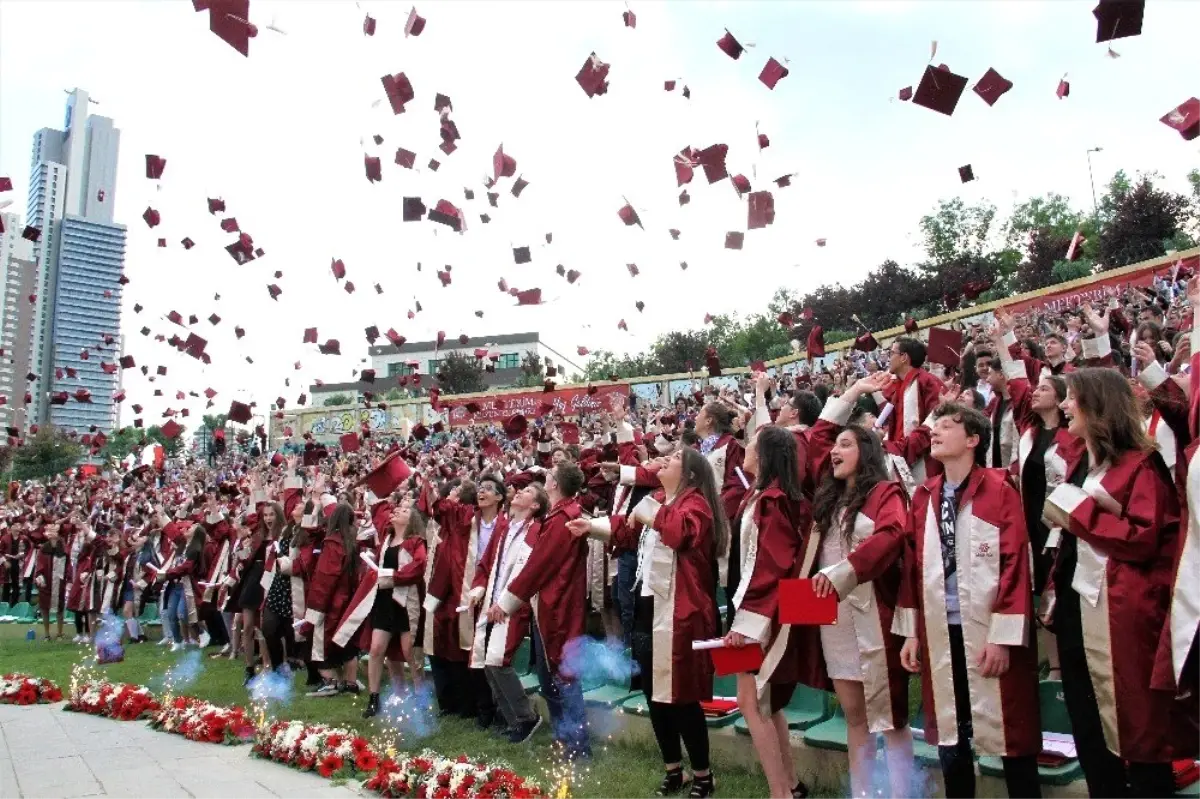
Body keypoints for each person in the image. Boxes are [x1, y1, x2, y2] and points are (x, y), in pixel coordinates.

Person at [1043, 367, 1199, 797]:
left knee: (1140, 736)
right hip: (1078, 611)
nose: (1063, 405)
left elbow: (1145, 540)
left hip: (1124, 618)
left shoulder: (1141, 464)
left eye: (1071, 397)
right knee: (1090, 733)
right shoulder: (1080, 463)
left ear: (1097, 405)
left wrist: (1079, 513)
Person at [896, 402, 1042, 799]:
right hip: (942, 629)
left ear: (974, 440)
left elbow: (1015, 562)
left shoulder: (998, 488)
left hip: (987, 629)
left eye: (946, 426)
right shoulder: (925, 494)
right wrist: (911, 634)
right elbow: (912, 567)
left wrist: (1003, 637)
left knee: (1012, 733)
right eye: (934, 426)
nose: (936, 432)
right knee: (951, 733)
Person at [572, 446, 722, 796]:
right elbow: (627, 534)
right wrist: (591, 526)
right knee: (655, 695)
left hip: (679, 613)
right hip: (646, 608)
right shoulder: (655, 498)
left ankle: (703, 774)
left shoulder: (696, 504)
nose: (663, 462)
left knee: (682, 697)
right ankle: (674, 770)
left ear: (690, 475)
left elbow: (681, 534)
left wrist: (647, 509)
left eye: (672, 461)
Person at [805, 404, 915, 799]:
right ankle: (864, 794)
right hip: (833, 620)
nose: (835, 451)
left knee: (889, 718)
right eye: (835, 445)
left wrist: (843, 574)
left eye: (846, 444)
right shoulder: (827, 499)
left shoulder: (886, 493)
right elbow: (814, 442)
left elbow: (892, 535)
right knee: (854, 717)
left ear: (865, 452)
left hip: (874, 616)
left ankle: (903, 794)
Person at [723, 424, 815, 799]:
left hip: (763, 614)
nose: (744, 446)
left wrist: (747, 623)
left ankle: (780, 793)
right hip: (766, 609)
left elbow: (769, 566)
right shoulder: (766, 495)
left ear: (763, 455)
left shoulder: (773, 500)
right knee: (769, 703)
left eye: (752, 443)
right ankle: (791, 785)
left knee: (751, 703)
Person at [487, 461, 592, 761]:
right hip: (551, 604)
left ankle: (577, 747)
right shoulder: (561, 514)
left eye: (549, 476)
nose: (545, 478)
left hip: (558, 606)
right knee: (551, 678)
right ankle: (565, 741)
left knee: (564, 677)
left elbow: (538, 567)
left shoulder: (563, 518)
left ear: (555, 485)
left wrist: (506, 603)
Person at [468, 482, 550, 743]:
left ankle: (526, 717)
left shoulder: (535, 530)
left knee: (497, 661)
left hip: (513, 605)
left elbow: (524, 573)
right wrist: (480, 589)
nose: (520, 492)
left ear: (535, 505)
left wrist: (504, 603)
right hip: (493, 601)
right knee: (489, 664)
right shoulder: (505, 526)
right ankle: (513, 719)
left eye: (527, 492)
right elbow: (487, 562)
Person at [338, 495, 427, 718]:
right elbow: (379, 509)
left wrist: (391, 575)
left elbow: (419, 567)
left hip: (407, 602)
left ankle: (420, 697)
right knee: (377, 649)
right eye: (396, 509)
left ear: (412, 519)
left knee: (409, 652)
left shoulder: (416, 542)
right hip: (384, 601)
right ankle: (374, 698)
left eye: (404, 511)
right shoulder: (386, 539)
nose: (397, 511)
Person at [301, 502, 362, 697]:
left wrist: (316, 606)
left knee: (320, 642)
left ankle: (331, 681)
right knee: (346, 641)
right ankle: (350, 683)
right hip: (348, 598)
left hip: (331, 600)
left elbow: (326, 576)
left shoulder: (334, 544)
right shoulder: (353, 541)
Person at [159, 523, 208, 651]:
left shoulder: (195, 549)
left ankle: (202, 633)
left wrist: (168, 574)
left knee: (183, 614)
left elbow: (186, 568)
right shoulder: (182, 544)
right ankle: (178, 641)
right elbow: (171, 531)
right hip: (175, 585)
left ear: (196, 534)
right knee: (171, 614)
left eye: (191, 528)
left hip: (188, 586)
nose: (187, 528)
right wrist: (161, 514)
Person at [34, 523, 68, 641]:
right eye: (50, 530)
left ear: (58, 533)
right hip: (46, 583)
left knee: (60, 608)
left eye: (54, 530)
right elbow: (39, 566)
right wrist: (39, 577)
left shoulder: (63, 548)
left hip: (59, 583)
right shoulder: (43, 549)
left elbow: (68, 566)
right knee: (44, 608)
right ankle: (47, 634)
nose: (52, 532)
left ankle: (59, 633)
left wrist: (69, 579)